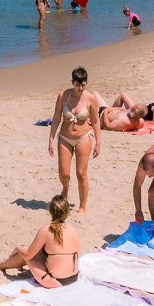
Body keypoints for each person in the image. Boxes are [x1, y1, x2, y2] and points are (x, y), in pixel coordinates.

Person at [0, 195, 80, 288]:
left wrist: (17, 248)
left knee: (25, 252)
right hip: (74, 278)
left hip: (55, 281)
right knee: (39, 252)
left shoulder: (46, 230)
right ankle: (12, 264)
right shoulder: (73, 229)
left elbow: (28, 255)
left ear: (50, 211)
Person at [49, 68, 103, 216]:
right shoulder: (63, 96)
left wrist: (98, 142)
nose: (80, 88)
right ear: (72, 82)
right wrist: (51, 139)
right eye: (77, 84)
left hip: (83, 138)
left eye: (83, 85)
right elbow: (56, 118)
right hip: (65, 138)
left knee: (81, 174)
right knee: (64, 174)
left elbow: (96, 121)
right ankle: (65, 188)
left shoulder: (90, 98)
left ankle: (82, 207)